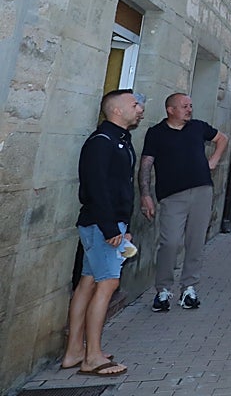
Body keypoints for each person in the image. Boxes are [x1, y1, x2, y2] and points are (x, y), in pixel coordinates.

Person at [62, 88, 145, 377]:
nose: (140, 108)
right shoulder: (102, 141)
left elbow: (121, 189)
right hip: (101, 225)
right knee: (107, 284)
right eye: (134, 104)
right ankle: (92, 357)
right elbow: (95, 187)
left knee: (87, 283)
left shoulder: (120, 140)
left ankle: (74, 351)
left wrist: (125, 227)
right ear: (117, 110)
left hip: (108, 224)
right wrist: (112, 228)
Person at [139, 92, 228, 312]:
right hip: (171, 195)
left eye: (190, 105)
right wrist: (145, 194)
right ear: (170, 110)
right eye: (184, 106)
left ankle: (189, 288)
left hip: (202, 191)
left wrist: (214, 160)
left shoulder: (197, 127)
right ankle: (163, 290)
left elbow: (222, 138)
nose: (189, 109)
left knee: (195, 242)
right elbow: (146, 165)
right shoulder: (156, 133)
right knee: (170, 243)